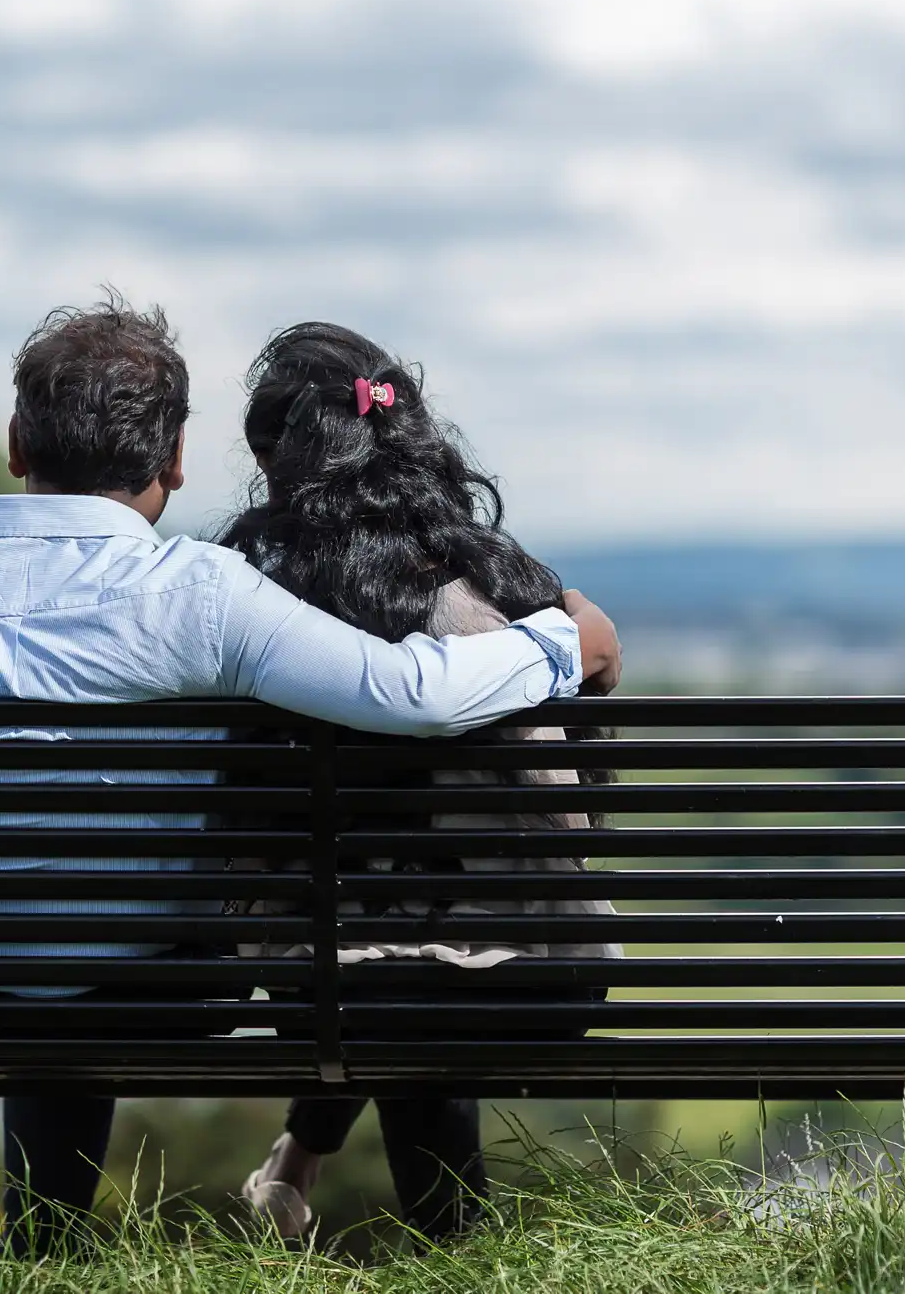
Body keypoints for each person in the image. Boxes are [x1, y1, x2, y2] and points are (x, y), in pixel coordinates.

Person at [0, 295, 624, 1259]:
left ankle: (44, 1249)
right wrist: (563, 638)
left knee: (27, 911)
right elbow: (409, 688)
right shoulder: (198, 595)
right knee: (98, 934)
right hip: (144, 992)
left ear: (15, 441)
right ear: (172, 462)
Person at [221, 322, 624, 1245]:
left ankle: (376, 1204)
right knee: (428, 962)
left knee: (383, 966)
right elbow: (576, 771)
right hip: (541, 987)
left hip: (329, 997)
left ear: (272, 461)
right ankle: (437, 1236)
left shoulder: (256, 612)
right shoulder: (503, 594)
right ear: (414, 441)